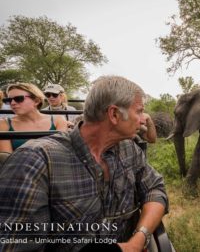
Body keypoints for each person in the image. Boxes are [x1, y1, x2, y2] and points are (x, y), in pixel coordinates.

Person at [0, 76, 168, 252]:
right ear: (114, 114)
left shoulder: (129, 150)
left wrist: (139, 237)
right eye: (139, 111)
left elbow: (154, 188)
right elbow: (14, 245)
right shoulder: (35, 161)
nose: (143, 120)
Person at [0, 83, 68, 153]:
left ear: (36, 101)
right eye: (9, 100)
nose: (12, 103)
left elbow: (61, 152)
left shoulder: (58, 120)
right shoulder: (3, 124)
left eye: (18, 99)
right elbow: (7, 159)